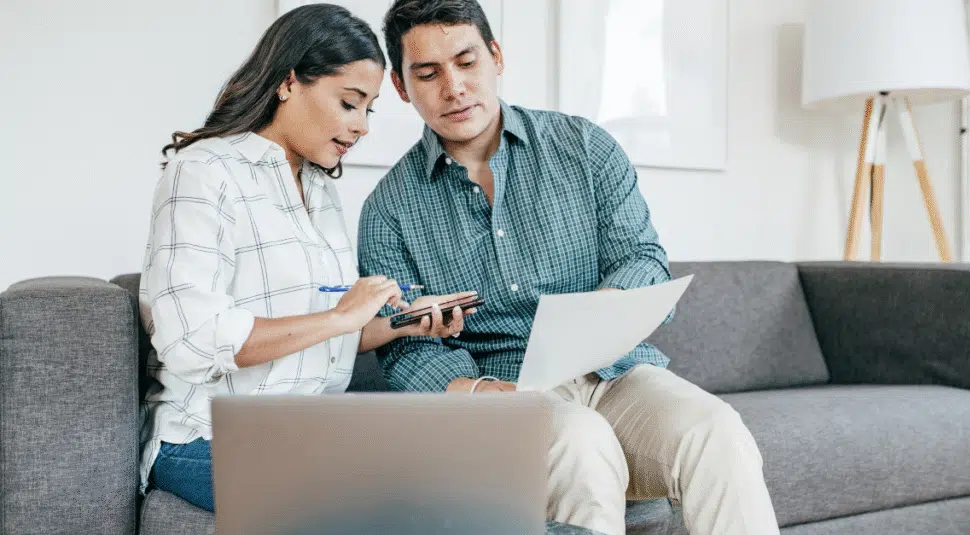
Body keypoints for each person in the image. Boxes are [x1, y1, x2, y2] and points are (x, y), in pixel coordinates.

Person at [356, 1, 781, 534]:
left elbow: (642, 257)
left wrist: (605, 309)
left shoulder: (585, 147)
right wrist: (475, 391)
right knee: (582, 444)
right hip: (505, 392)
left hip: (618, 372)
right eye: (429, 73)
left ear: (495, 56)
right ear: (401, 87)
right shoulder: (388, 209)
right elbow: (405, 351)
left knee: (717, 429)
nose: (455, 87)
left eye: (466, 62)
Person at [137, 4, 475, 513]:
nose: (361, 126)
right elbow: (192, 339)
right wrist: (339, 316)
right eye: (349, 103)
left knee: (470, 471)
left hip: (312, 430)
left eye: (369, 109)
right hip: (210, 439)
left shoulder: (319, 188)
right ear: (289, 82)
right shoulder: (204, 172)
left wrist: (402, 325)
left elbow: (324, 336)